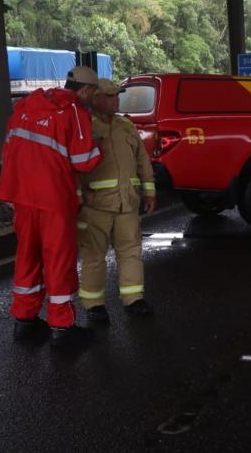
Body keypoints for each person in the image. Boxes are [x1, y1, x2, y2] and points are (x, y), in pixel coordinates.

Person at [0, 66, 102, 347]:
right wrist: (98, 147)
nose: (93, 99)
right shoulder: (75, 112)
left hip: (22, 195)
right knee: (58, 259)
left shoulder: (26, 106)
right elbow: (84, 161)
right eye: (94, 93)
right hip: (53, 198)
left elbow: (9, 148)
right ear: (86, 90)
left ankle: (24, 321)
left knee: (27, 256)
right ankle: (62, 327)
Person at [78, 79, 157, 322]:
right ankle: (94, 305)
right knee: (94, 255)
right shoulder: (83, 126)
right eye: (111, 96)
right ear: (95, 99)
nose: (116, 100)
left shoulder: (126, 125)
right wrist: (78, 198)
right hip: (95, 205)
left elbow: (142, 159)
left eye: (117, 96)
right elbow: (72, 166)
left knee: (131, 251)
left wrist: (149, 190)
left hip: (127, 202)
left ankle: (134, 299)